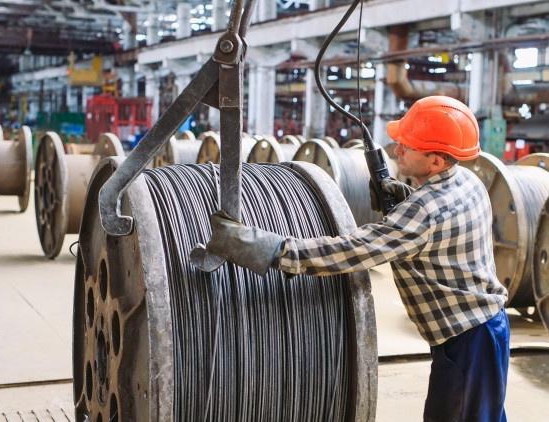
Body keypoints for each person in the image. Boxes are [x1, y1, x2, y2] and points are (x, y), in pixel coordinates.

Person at [205, 96, 510, 422]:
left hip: (468, 342)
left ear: (435, 162)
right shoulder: (468, 181)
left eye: (407, 146)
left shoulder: (424, 213)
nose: (396, 150)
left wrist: (271, 249)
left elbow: (353, 251)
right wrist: (404, 197)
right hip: (485, 328)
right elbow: (441, 226)